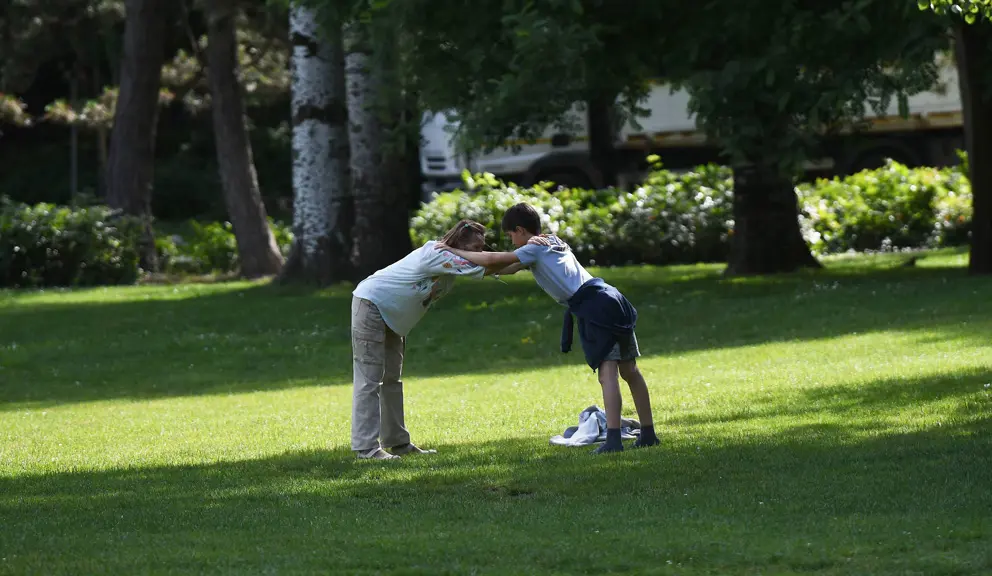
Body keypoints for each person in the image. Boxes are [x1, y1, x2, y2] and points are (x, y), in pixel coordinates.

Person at [436, 203, 661, 454]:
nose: (511, 242)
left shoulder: (534, 248)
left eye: (511, 235)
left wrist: (452, 250)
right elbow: (506, 268)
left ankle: (614, 440)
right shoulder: (552, 241)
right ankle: (648, 434)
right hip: (612, 298)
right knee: (629, 370)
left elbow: (494, 259)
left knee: (607, 375)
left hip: (595, 306)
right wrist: (471, 270)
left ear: (520, 230)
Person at [350, 220, 492, 460]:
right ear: (459, 245)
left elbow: (496, 266)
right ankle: (366, 448)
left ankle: (398, 443)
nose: (480, 252)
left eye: (482, 247)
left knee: (391, 379)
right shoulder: (437, 254)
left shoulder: (453, 266)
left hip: (392, 316)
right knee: (369, 378)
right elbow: (493, 262)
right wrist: (528, 253)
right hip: (371, 305)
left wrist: (531, 255)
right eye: (475, 248)